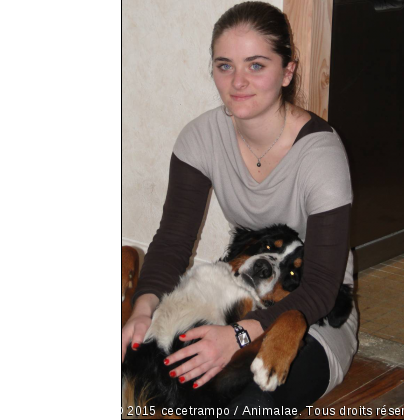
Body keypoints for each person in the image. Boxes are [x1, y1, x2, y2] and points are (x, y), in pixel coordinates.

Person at [121, 1, 358, 416]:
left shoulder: (322, 153)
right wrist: (143, 308)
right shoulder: (200, 138)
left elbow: (321, 289)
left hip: (311, 315)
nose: (238, 82)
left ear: (287, 71)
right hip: (235, 297)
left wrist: (240, 335)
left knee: (244, 407)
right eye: (225, 66)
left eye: (256, 65)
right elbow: (174, 240)